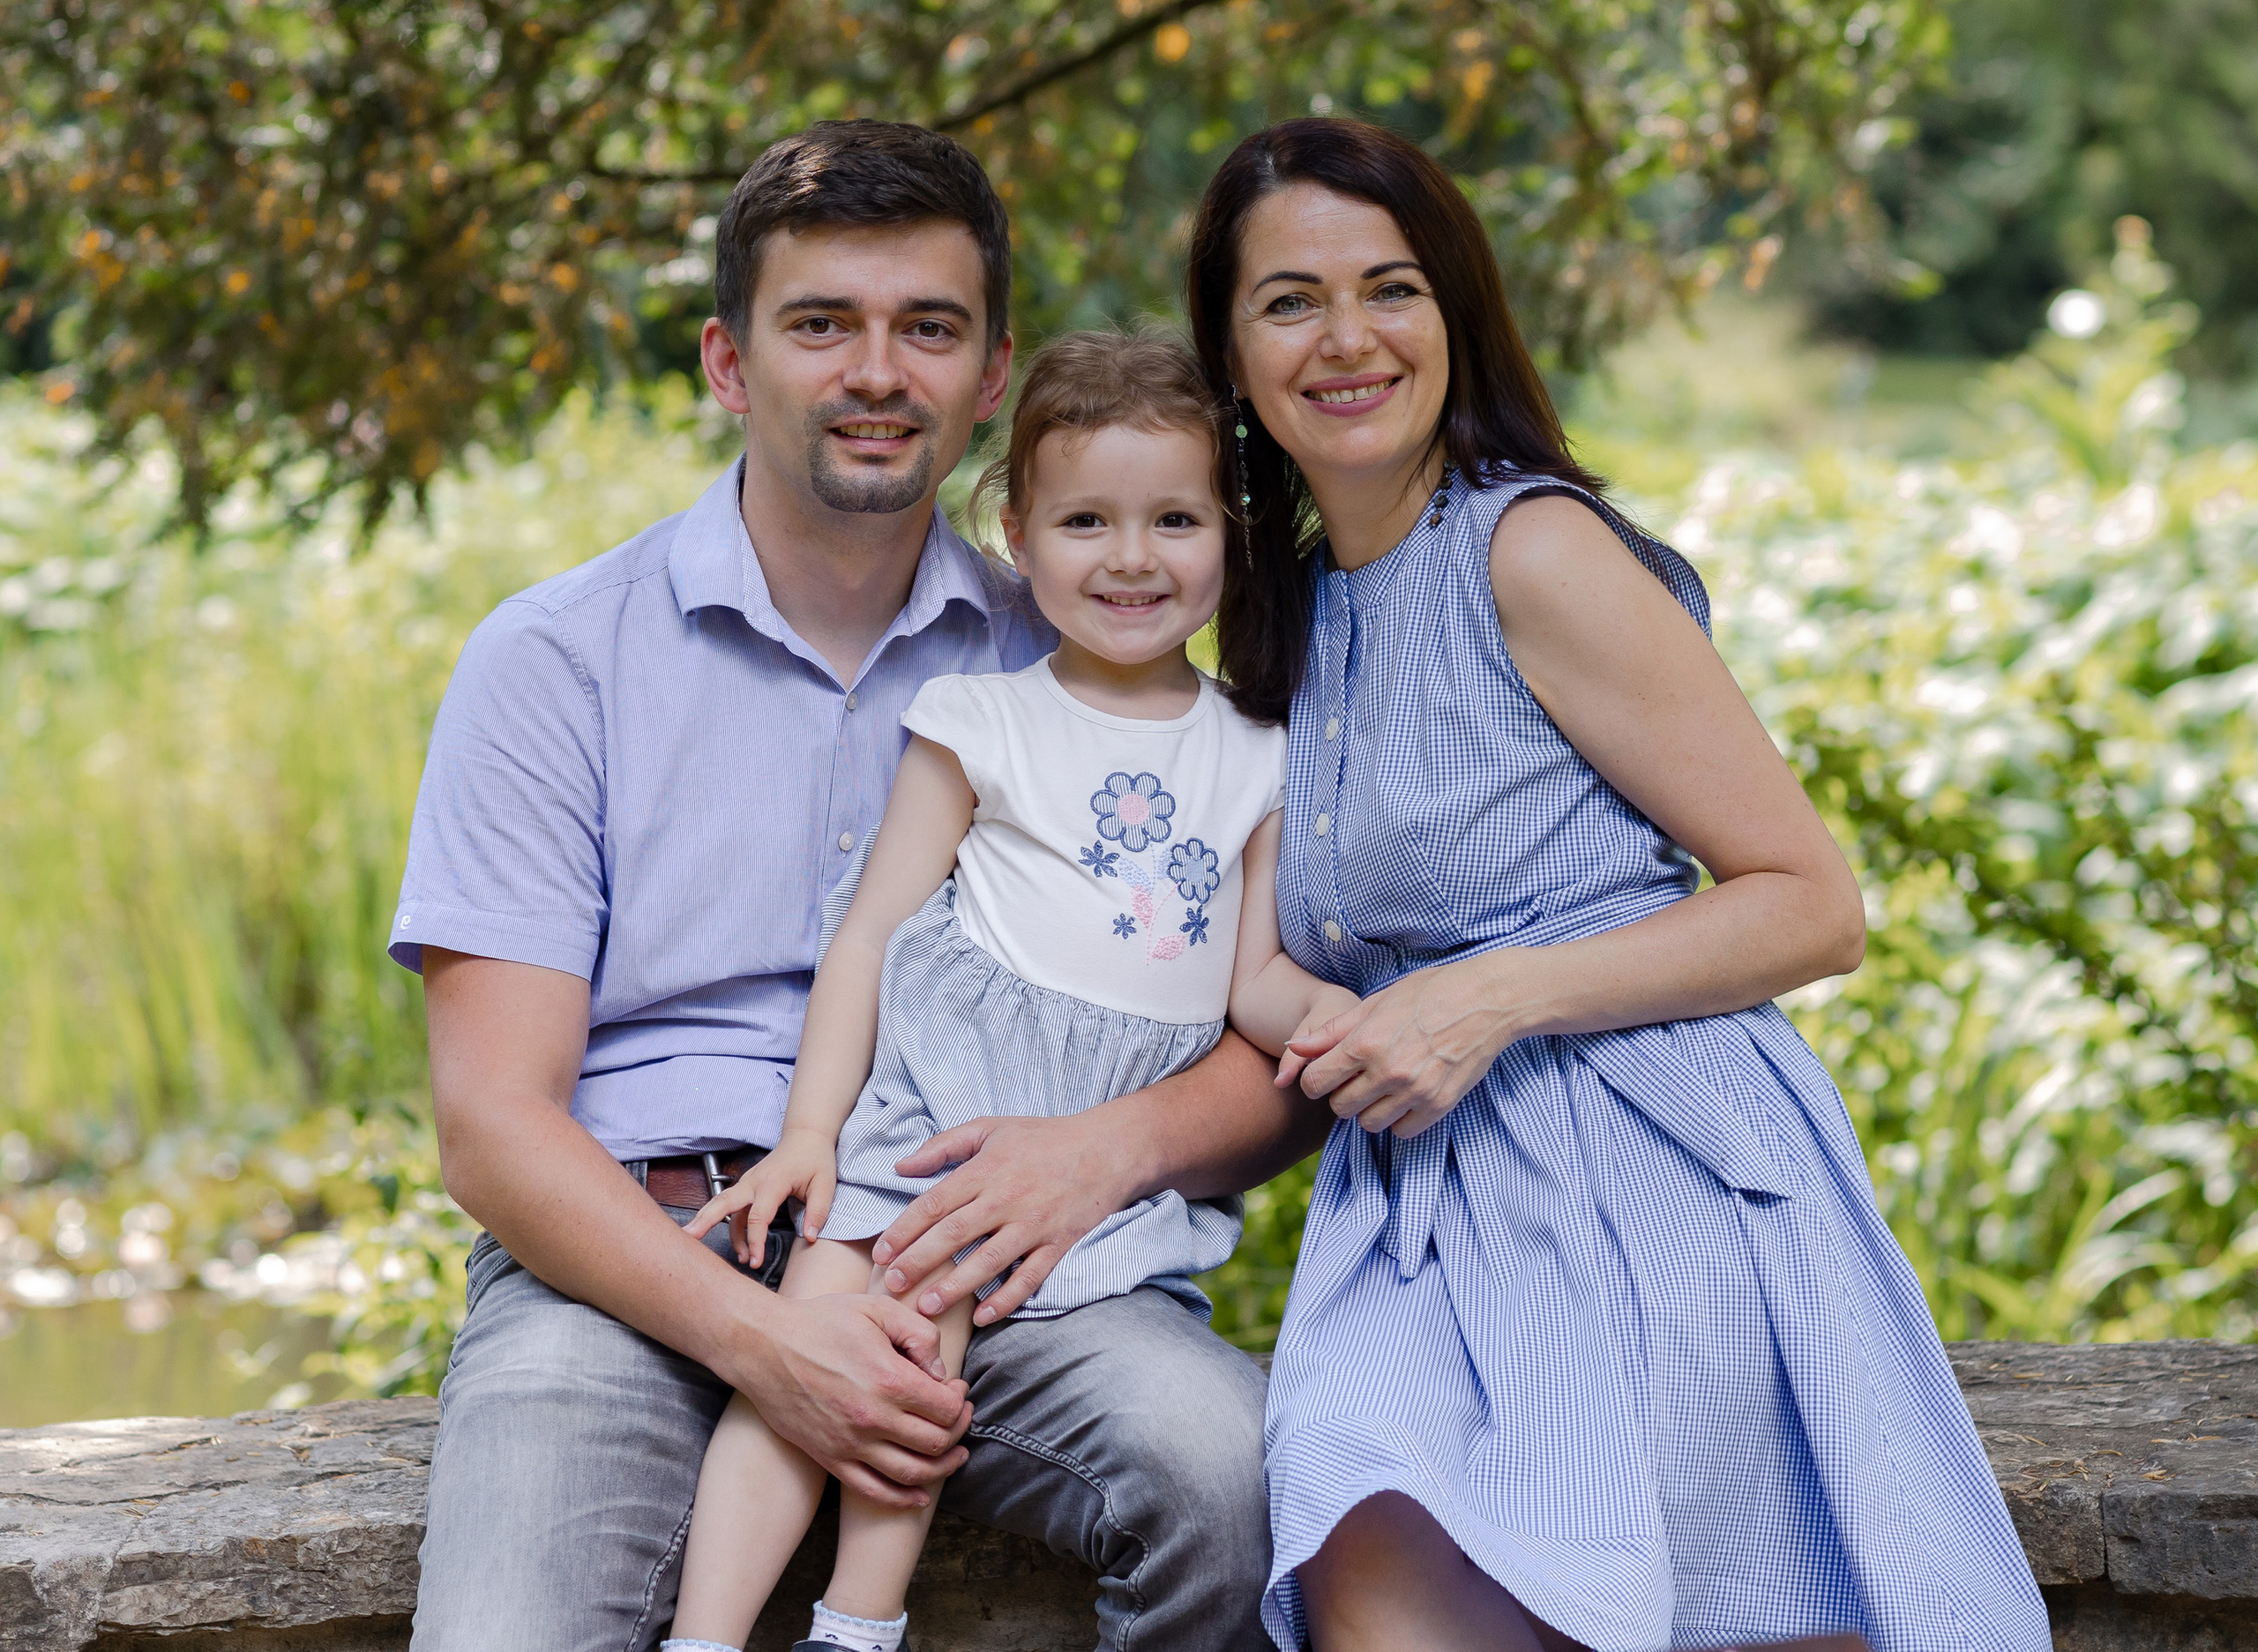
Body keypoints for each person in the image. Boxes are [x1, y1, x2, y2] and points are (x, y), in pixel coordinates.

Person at [390, 120, 1323, 1652]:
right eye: (822, 324)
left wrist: (1096, 1156)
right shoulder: (554, 662)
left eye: (929, 329)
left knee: (1225, 1471)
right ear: (728, 363)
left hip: (1000, 1263)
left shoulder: (1090, 656)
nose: (878, 372)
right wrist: (772, 1339)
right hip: (632, 1265)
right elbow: (493, 1126)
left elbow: (1258, 1051)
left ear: (994, 374)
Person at [1182, 116, 2051, 1652]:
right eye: (1289, 301)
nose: (1348, 338)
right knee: (1365, 1551)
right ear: (1231, 353)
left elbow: (1810, 902)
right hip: (1425, 1210)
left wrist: (1484, 1000)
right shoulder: (1291, 618)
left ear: (1456, 312)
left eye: (1392, 287)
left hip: (1650, 1156)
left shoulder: (1532, 551)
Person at [659, 327, 1355, 1652]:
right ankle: (723, 1638)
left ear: (1231, 536)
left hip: (1098, 1176)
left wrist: (1345, 1026)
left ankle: (858, 1628)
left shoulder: (1257, 753)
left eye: (1175, 520)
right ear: (1017, 533)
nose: (1133, 558)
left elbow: (1255, 979)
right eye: (1087, 520)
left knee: (952, 1382)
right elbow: (869, 936)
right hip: (938, 1122)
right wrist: (810, 1135)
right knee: (843, 1358)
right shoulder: (982, 722)